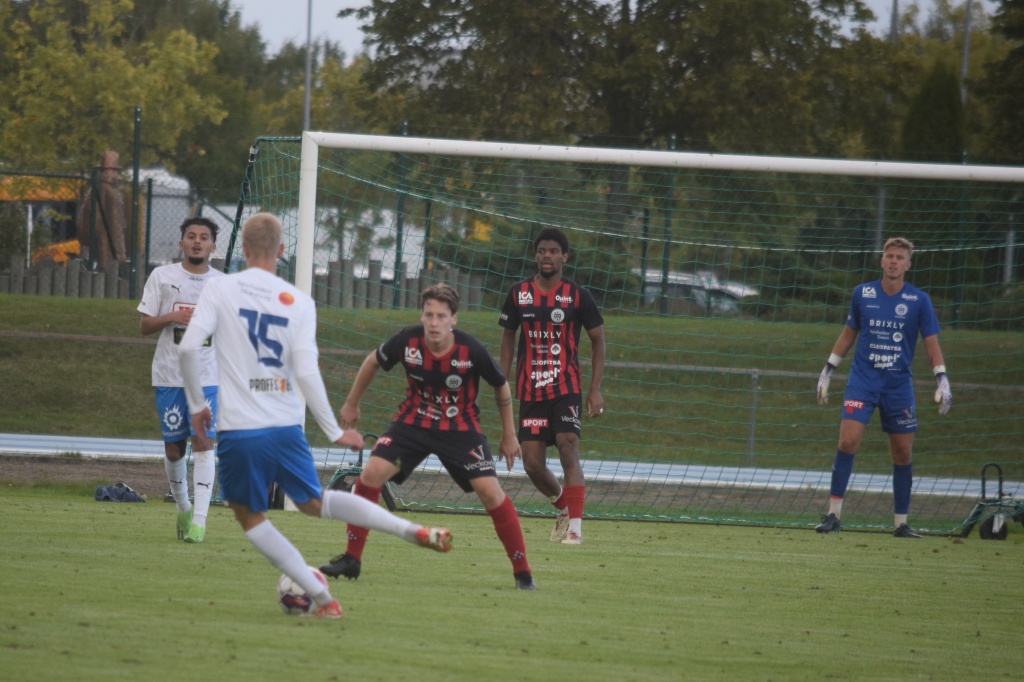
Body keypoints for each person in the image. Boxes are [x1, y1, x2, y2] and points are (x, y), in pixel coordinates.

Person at [179, 213, 452, 619]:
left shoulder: (219, 288)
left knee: (250, 516)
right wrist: (334, 431)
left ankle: (324, 600)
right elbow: (307, 372)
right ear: (281, 251)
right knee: (314, 501)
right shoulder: (300, 302)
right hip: (286, 427)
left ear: (244, 249)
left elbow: (188, 349)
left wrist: (197, 404)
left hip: (241, 428)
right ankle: (410, 530)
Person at [319, 283, 536, 590]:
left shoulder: (471, 350)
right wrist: (352, 403)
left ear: (454, 319)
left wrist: (509, 435)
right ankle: (352, 558)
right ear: (422, 315)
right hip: (414, 426)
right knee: (371, 473)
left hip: (460, 430)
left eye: (441, 316)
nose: (434, 323)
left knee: (490, 492)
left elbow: (501, 386)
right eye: (429, 315)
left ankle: (523, 573)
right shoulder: (407, 341)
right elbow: (372, 361)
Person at [814, 237, 953, 538]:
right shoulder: (862, 293)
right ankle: (833, 515)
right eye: (889, 256)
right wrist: (828, 368)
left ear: (907, 264)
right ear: (881, 260)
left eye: (899, 257)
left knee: (902, 453)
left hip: (898, 386)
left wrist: (941, 377)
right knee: (848, 441)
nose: (893, 261)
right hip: (862, 382)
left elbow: (931, 343)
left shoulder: (919, 300)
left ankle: (900, 524)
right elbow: (848, 333)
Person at [498, 227, 605, 545]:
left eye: (554, 251)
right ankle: (563, 508)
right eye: (542, 251)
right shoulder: (518, 293)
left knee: (568, 446)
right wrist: (502, 379)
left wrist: (595, 388)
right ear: (536, 255)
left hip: (565, 387)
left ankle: (575, 530)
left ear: (564, 257)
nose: (547, 256)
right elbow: (508, 338)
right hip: (530, 389)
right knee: (532, 463)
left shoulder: (578, 296)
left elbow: (598, 340)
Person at [138, 217, 224, 543]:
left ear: (213, 246)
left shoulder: (223, 285)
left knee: (203, 440)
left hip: (207, 377)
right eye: (191, 236)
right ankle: (183, 508)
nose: (197, 241)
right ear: (181, 243)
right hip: (170, 375)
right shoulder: (162, 277)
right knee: (174, 449)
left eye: (204, 237)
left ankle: (199, 523)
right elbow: (145, 325)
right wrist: (173, 316)